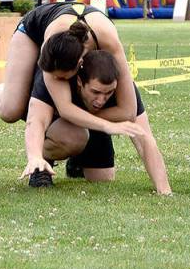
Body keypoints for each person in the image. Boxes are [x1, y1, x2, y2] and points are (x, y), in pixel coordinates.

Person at [0, 2, 145, 142]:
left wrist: (81, 116)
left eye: (62, 77)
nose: (55, 79)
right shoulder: (54, 46)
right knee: (11, 110)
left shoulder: (109, 42)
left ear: (79, 64)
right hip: (32, 30)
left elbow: (128, 111)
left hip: (82, 29)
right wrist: (97, 122)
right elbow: (64, 110)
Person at [21, 50, 171, 193]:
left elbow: (145, 139)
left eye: (109, 93)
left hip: (98, 126)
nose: (101, 100)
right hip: (61, 128)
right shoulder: (59, 79)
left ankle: (77, 162)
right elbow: (37, 122)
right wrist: (35, 156)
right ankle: (42, 164)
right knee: (74, 138)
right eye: (96, 92)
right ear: (79, 81)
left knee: (103, 178)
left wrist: (164, 190)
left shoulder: (125, 92)